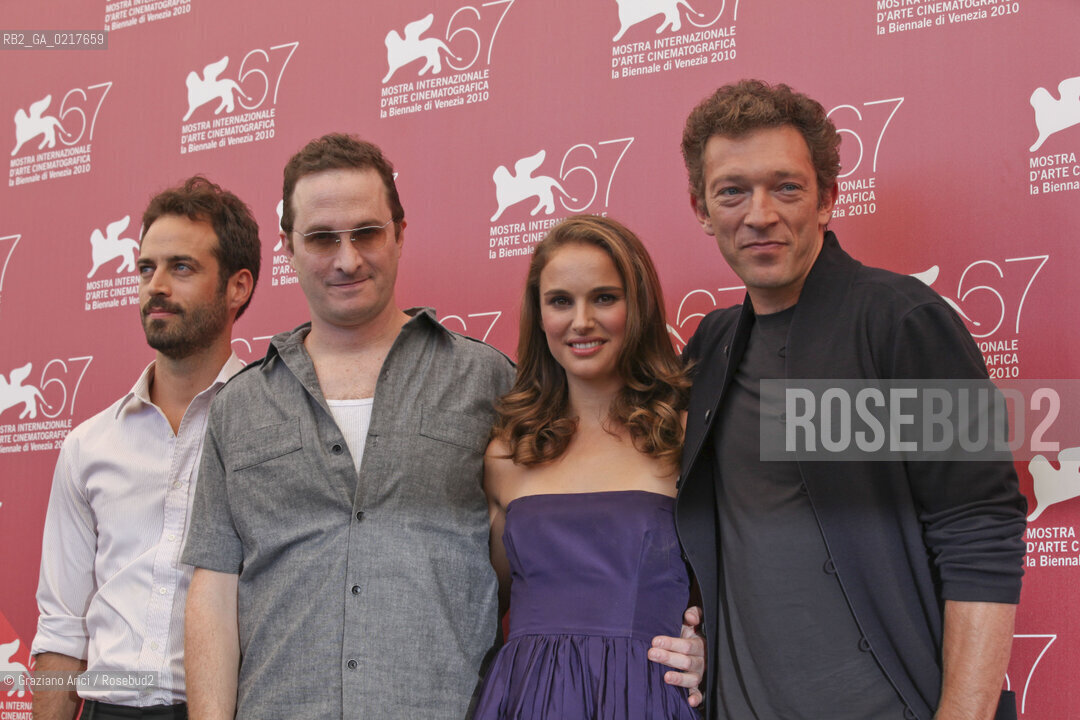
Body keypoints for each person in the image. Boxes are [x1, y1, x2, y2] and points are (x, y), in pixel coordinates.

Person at [674, 79, 1027, 720]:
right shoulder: (710, 347)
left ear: (828, 198)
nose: (759, 214)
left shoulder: (905, 321)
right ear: (701, 208)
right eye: (733, 191)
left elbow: (981, 529)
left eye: (786, 186)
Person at [30, 176, 261, 720]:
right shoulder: (90, 445)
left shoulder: (272, 429)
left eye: (181, 267)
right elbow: (62, 629)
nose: (156, 285)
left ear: (238, 287)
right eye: (145, 268)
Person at [474, 215, 703, 718]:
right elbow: (477, 607)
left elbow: (746, 585)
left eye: (604, 298)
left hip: (646, 698)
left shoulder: (686, 438)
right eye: (560, 301)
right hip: (525, 698)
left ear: (637, 306)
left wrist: (710, 648)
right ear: (539, 316)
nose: (581, 320)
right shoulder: (506, 453)